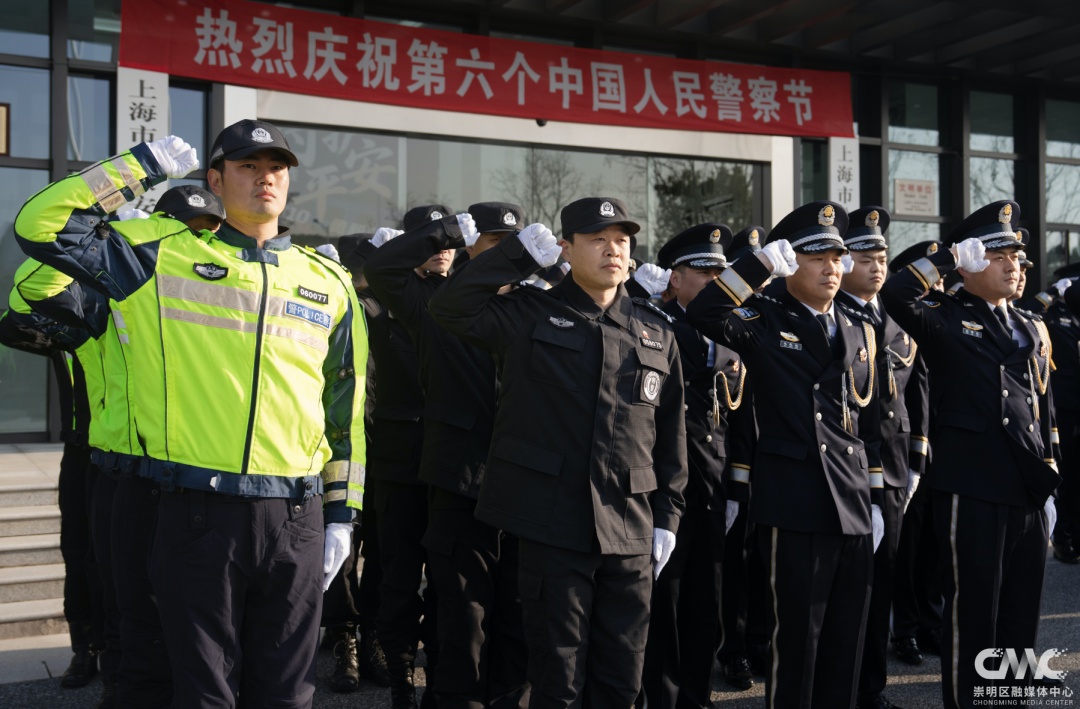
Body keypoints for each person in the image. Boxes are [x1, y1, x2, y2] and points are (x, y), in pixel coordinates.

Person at [15, 120, 368, 709]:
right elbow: (41, 225)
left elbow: (344, 414)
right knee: (204, 694)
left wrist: (342, 515)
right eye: (248, 166)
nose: (265, 179)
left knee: (288, 696)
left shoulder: (327, 280)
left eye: (276, 168)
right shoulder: (159, 258)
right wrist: (139, 168)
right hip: (200, 513)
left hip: (296, 518)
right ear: (216, 180)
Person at [429, 196, 688, 709]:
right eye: (598, 239)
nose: (613, 249)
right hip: (553, 527)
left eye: (621, 240)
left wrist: (668, 517)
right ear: (566, 249)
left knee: (621, 680)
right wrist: (517, 257)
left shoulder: (655, 331)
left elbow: (670, 435)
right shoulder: (530, 314)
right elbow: (450, 307)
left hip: (631, 528)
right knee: (558, 680)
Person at [686, 201, 884, 709]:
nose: (831, 268)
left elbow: (868, 421)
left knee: (845, 643)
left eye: (836, 257)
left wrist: (877, 497)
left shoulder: (859, 327)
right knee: (797, 644)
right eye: (816, 258)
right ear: (791, 264)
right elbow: (704, 311)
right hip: (796, 501)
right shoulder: (764, 318)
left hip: (852, 501)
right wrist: (757, 267)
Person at [879, 200, 1060, 708]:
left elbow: (1043, 410)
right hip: (973, 488)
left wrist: (1051, 480)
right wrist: (949, 258)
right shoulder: (946, 317)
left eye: (1017, 257)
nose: (1013, 266)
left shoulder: (1031, 325)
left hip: (1027, 489)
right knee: (974, 617)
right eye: (998, 256)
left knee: (1020, 619)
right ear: (972, 263)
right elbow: (896, 292)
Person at [364, 202, 530, 709]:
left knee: (506, 615)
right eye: (494, 243)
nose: (506, 253)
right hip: (447, 473)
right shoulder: (436, 302)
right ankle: (415, 688)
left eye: (514, 244)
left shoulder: (532, 304)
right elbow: (383, 269)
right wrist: (444, 232)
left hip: (513, 481)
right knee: (441, 604)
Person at [641, 223, 742, 709]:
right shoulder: (658, 325)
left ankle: (697, 698)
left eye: (721, 274)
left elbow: (741, 416)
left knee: (707, 603)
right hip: (668, 485)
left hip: (714, 483)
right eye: (703, 273)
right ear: (674, 279)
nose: (713, 282)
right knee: (667, 603)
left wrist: (738, 483)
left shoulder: (732, 332)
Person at [836, 207, 929, 709]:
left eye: (882, 258)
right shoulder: (834, 315)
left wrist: (915, 460)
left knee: (884, 582)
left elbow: (917, 392)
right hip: (847, 472)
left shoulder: (894, 320)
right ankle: (841, 687)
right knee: (847, 591)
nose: (877, 267)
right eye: (866, 257)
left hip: (892, 472)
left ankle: (870, 688)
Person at [885, 241, 944, 667]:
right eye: (929, 277)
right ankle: (904, 628)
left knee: (933, 545)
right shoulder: (899, 319)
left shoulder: (949, 313)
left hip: (945, 446)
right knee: (906, 544)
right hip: (906, 445)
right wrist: (916, 452)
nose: (938, 286)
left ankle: (930, 620)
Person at [1023, 262, 1080, 564]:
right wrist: (1050, 295)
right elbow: (1025, 312)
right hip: (1063, 406)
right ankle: (1063, 537)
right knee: (1066, 473)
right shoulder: (1052, 313)